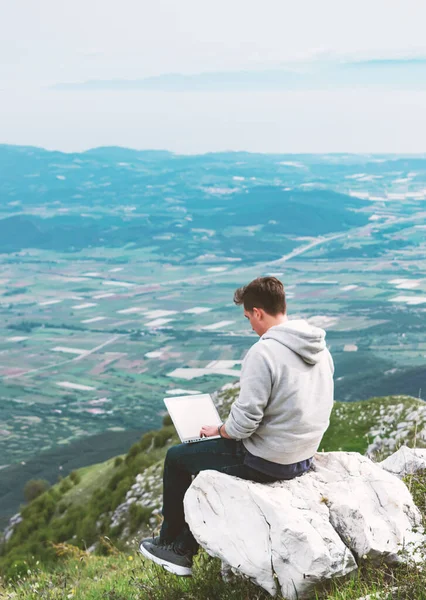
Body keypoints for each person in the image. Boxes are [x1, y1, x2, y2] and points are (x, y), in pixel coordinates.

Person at [139, 276, 334, 576]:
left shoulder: (264, 352)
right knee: (207, 467)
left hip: (268, 460)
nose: (250, 326)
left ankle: (173, 547)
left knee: (177, 459)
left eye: (248, 318)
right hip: (302, 457)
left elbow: (244, 424)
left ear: (258, 312)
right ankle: (182, 545)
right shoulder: (319, 349)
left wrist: (218, 430)